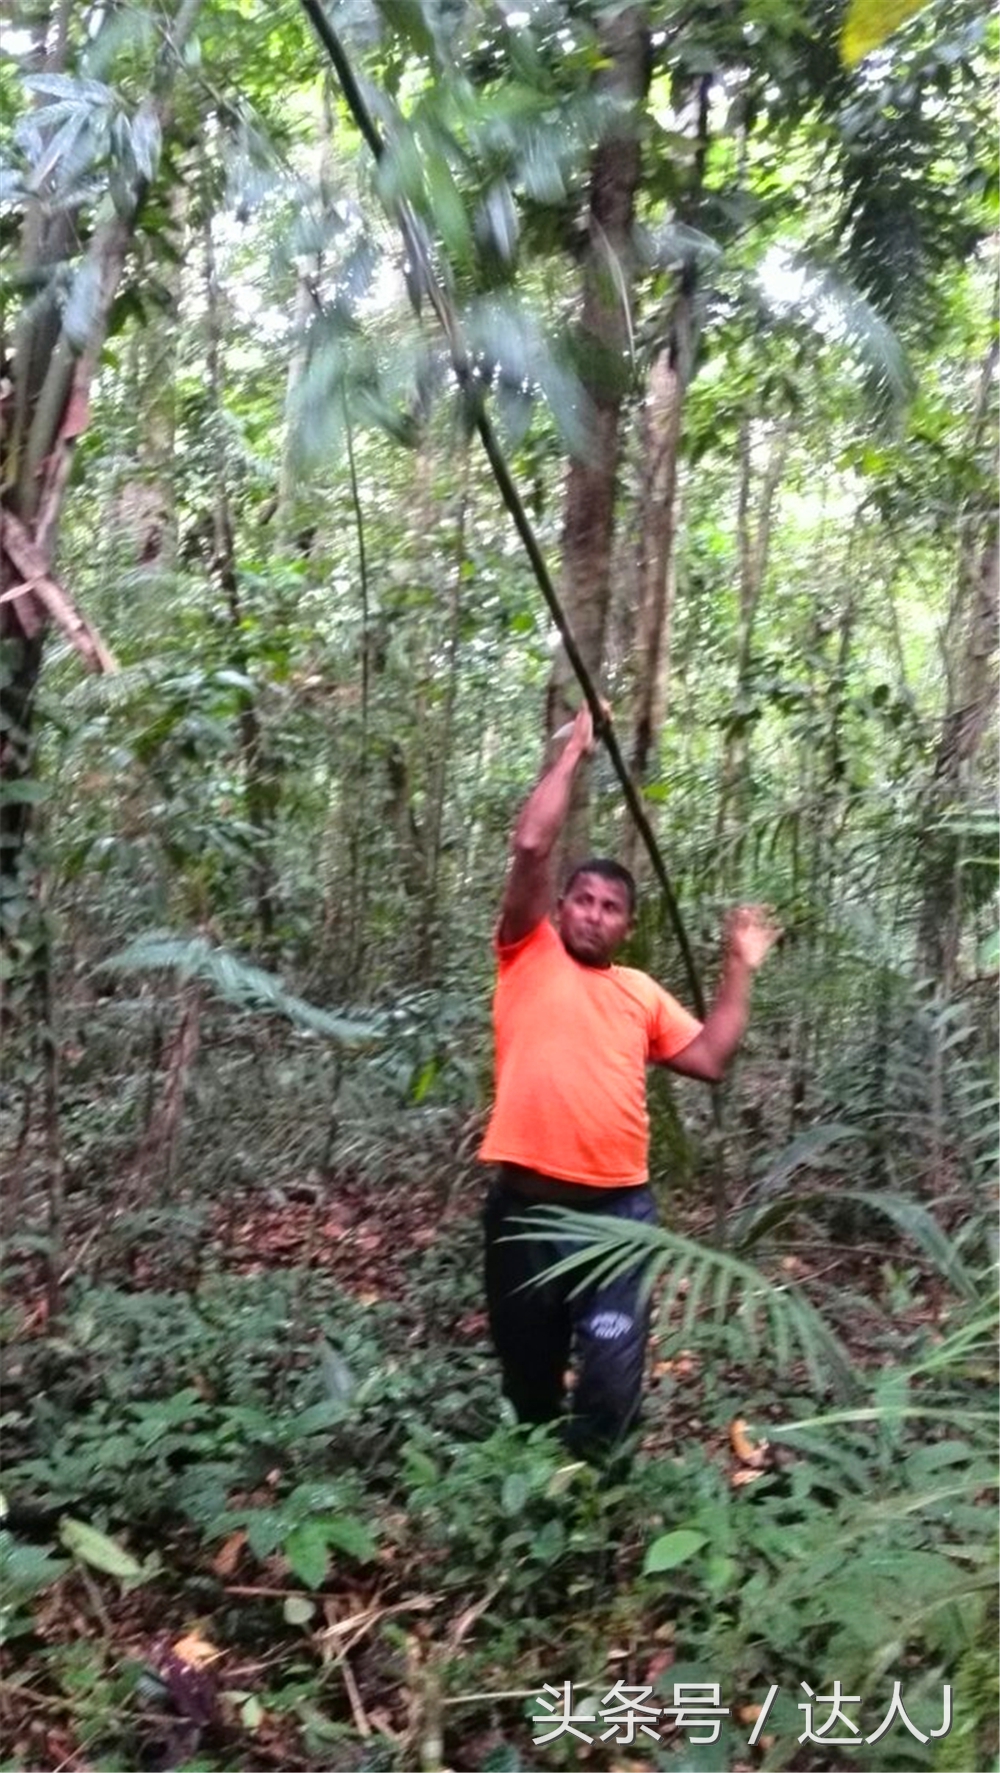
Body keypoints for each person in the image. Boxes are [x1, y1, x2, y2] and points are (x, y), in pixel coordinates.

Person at [478, 702, 779, 1460]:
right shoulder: (527, 952)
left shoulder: (641, 992)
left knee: (612, 1379)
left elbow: (709, 1058)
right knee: (530, 1382)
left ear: (626, 926)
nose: (593, 912)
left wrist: (738, 966)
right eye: (582, 898)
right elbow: (530, 842)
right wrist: (576, 749)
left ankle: (594, 1495)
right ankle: (535, 1504)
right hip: (525, 1215)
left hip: (618, 1218)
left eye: (611, 907)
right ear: (562, 907)